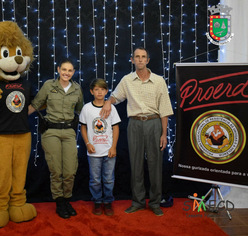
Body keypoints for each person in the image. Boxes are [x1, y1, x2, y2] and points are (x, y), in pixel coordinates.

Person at [100, 47, 173, 216]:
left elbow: (165, 109)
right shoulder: (127, 80)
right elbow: (116, 96)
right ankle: (138, 202)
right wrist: (107, 101)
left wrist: (164, 134)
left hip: (154, 123)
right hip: (134, 124)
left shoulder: (159, 80)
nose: (140, 60)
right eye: (137, 57)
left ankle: (155, 202)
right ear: (132, 60)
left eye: (143, 57)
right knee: (136, 164)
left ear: (148, 60)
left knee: (155, 165)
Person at [28, 58, 84, 219]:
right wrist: (17, 118)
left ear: (73, 72)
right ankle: (59, 202)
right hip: (51, 131)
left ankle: (67, 199)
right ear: (58, 70)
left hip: (68, 132)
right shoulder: (49, 86)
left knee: (70, 171)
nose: (66, 73)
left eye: (70, 70)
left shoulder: (76, 88)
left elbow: (81, 111)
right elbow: (36, 104)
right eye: (64, 69)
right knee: (56, 170)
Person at [79, 78, 121, 216]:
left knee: (109, 178)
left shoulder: (111, 108)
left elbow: (115, 128)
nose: (99, 92)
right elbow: (83, 127)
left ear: (106, 91)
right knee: (95, 179)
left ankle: (108, 202)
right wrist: (88, 144)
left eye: (102, 89)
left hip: (108, 150)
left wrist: (113, 147)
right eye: (96, 89)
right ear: (91, 91)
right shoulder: (86, 108)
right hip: (93, 152)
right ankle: (97, 201)